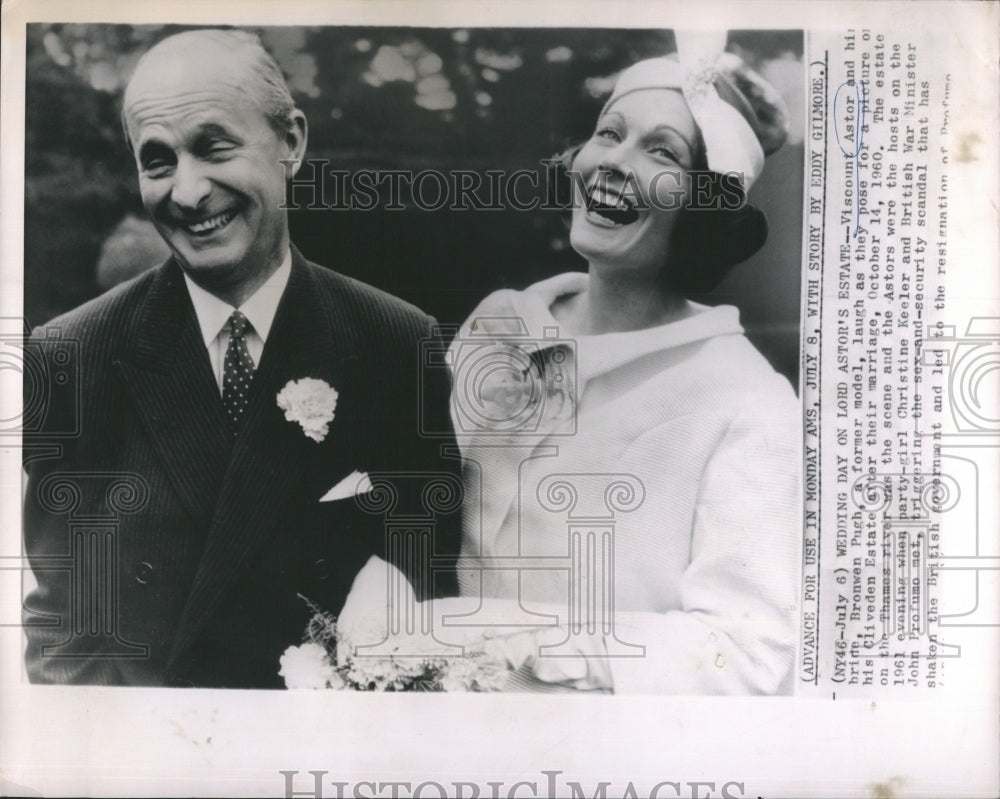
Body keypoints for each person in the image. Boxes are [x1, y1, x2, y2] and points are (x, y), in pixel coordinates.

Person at [21, 29, 460, 688]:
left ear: (292, 141)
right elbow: (66, 628)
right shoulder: (73, 358)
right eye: (158, 160)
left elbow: (428, 566)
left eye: (213, 147)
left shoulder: (396, 343)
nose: (189, 192)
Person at [450, 41, 802, 694]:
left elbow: (745, 648)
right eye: (609, 133)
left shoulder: (747, 399)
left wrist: (514, 647)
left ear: (704, 204)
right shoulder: (497, 324)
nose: (613, 161)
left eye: (661, 151)